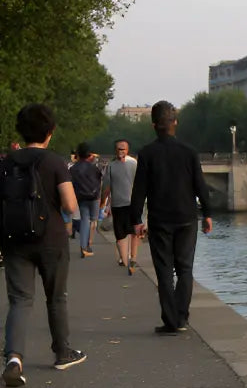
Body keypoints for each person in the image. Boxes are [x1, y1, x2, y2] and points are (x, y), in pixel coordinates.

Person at [1, 103, 87, 386]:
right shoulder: (54, 162)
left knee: (20, 300)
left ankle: (14, 358)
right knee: (56, 297)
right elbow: (70, 205)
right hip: (51, 239)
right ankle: (62, 352)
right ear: (50, 132)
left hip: (14, 241)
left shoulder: (7, 163)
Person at [129, 101, 212, 334]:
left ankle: (170, 319)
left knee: (164, 270)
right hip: (186, 217)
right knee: (185, 268)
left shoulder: (147, 153)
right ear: (175, 122)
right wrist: (208, 213)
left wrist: (136, 219)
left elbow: (140, 189)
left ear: (153, 125)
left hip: (160, 219)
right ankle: (182, 317)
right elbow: (200, 186)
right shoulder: (189, 152)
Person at [101, 139, 140, 272]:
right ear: (115, 150)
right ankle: (125, 260)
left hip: (133, 203)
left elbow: (141, 183)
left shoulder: (134, 163)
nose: (121, 151)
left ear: (127, 150)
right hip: (118, 204)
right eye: (118, 149)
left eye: (123, 149)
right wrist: (103, 203)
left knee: (134, 232)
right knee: (120, 234)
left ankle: (133, 259)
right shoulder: (111, 166)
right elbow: (106, 187)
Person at [69, 143, 102, 258]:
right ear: (89, 155)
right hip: (94, 197)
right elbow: (99, 182)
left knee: (84, 219)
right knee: (93, 220)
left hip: (81, 197)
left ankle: (83, 245)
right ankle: (89, 243)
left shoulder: (73, 169)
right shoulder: (94, 168)